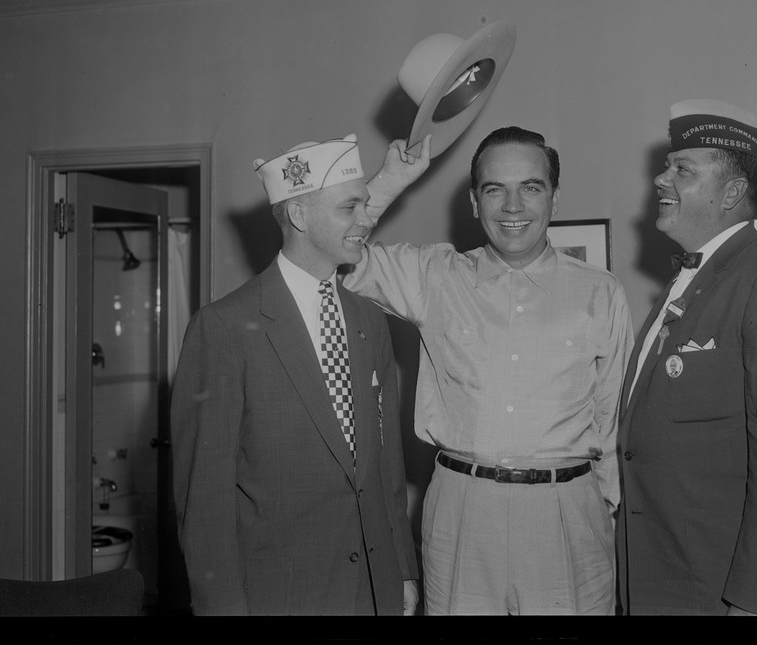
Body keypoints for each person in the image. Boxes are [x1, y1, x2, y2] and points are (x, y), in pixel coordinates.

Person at [342, 126, 634, 615]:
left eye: (531, 187)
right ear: (475, 203)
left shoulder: (601, 293)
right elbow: (336, 256)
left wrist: (594, 511)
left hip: (568, 515)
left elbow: (612, 422)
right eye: (495, 189)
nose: (512, 206)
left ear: (554, 200)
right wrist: (390, 180)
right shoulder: (433, 275)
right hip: (461, 514)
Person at [617, 99, 757, 632]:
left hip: (733, 599)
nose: (659, 179)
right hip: (669, 583)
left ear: (733, 193)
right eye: (667, 165)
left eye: (682, 169)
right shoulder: (688, 286)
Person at [171, 134, 419, 615]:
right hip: (279, 598)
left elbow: (386, 468)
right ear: (300, 217)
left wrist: (403, 573)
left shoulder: (370, 322)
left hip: (375, 591)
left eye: (365, 206)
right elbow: (205, 501)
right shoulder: (224, 327)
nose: (366, 220)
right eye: (351, 208)